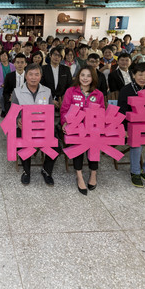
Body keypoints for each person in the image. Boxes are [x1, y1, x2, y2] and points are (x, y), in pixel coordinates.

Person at [60, 66, 105, 195]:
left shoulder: (98, 94)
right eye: (83, 75)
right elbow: (64, 110)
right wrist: (65, 123)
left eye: (88, 76)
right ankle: (79, 175)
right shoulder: (71, 91)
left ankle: (93, 173)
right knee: (78, 145)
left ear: (93, 78)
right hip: (76, 128)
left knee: (94, 145)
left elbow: (101, 112)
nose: (85, 78)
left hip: (92, 129)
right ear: (78, 77)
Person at [11, 63, 56, 186]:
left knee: (56, 146)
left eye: (37, 74)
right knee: (22, 144)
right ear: (26, 76)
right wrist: (18, 120)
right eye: (30, 74)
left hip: (42, 127)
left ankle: (46, 171)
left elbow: (51, 112)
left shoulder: (47, 91)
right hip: (25, 127)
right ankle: (26, 172)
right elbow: (13, 112)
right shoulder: (17, 92)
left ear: (41, 76)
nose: (33, 77)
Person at [118, 63, 145, 189]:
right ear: (133, 75)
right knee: (137, 143)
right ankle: (135, 172)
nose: (143, 78)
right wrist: (124, 129)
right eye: (140, 74)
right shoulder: (126, 90)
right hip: (131, 126)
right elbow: (121, 111)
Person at [0, 50, 15, 115]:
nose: (3, 57)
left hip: (11, 86)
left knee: (14, 96)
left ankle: (12, 110)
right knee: (2, 96)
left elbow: (14, 76)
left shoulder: (12, 66)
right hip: (1, 86)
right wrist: (1, 84)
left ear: (8, 57)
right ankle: (4, 110)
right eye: (2, 56)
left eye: (5, 55)